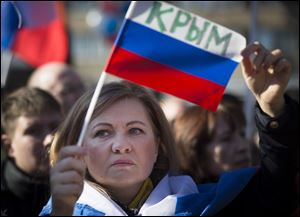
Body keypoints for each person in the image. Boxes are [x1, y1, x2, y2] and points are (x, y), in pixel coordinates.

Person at [40, 42, 298, 216]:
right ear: (78, 149)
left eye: (136, 130)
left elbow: (277, 191)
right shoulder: (60, 210)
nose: (121, 144)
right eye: (102, 132)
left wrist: (272, 110)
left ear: (159, 146)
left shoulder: (210, 204)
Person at [1, 87, 62, 216]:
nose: (49, 139)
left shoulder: (88, 191)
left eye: (56, 127)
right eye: (33, 131)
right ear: (9, 146)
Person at [171, 93, 251, 184]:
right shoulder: (174, 196)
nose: (243, 146)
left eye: (242, 135)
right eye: (226, 139)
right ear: (197, 151)